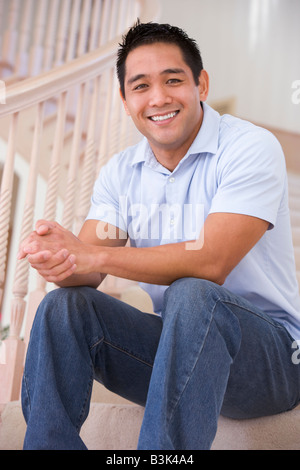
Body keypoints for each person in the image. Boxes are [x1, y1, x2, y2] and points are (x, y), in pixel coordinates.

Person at [19, 21, 300, 450]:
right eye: (141, 86)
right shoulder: (122, 172)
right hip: (182, 356)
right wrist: (59, 257)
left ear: (201, 84)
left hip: (273, 362)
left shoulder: (248, 147)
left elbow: (211, 262)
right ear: (125, 100)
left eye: (173, 80)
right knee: (64, 306)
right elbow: (85, 269)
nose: (159, 98)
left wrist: (91, 257)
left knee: (195, 292)